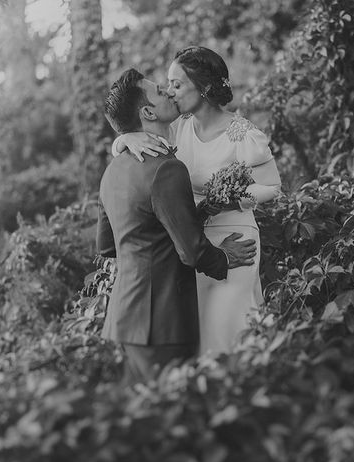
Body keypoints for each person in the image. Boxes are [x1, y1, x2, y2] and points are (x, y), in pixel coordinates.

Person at [112, 46, 281, 354]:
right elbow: (138, 128)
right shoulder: (179, 129)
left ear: (203, 88)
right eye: (168, 84)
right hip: (198, 245)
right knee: (204, 335)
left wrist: (234, 194)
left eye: (177, 84)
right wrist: (124, 139)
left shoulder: (242, 133)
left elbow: (272, 185)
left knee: (229, 324)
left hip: (236, 236)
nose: (170, 91)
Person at [97, 68, 257, 385]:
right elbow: (192, 252)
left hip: (124, 318)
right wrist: (224, 257)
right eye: (159, 90)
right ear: (147, 112)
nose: (169, 91)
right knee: (172, 413)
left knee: (145, 416)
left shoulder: (113, 171)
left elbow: (107, 245)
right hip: (163, 321)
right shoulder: (167, 168)